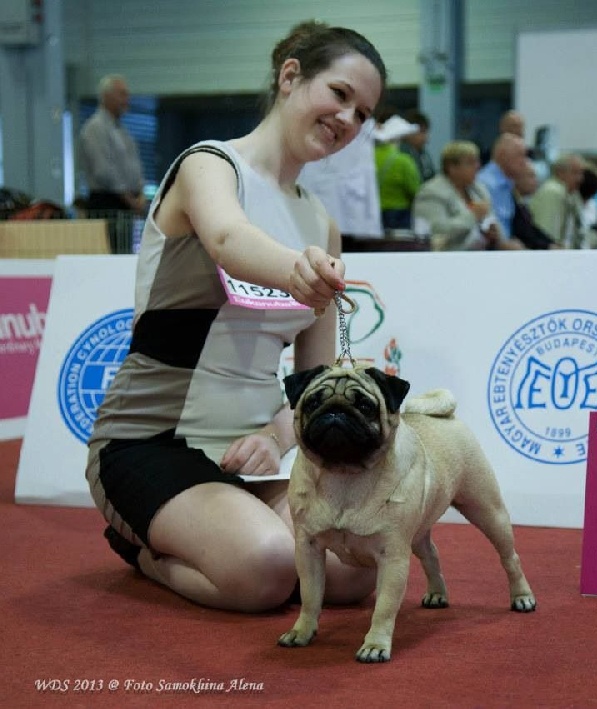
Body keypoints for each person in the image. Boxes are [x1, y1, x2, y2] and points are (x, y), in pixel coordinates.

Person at [84, 21, 387, 612]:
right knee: (269, 568)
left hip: (248, 457)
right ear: (290, 76)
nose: (348, 119)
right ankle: (140, 550)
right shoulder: (207, 165)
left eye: (364, 113)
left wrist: (274, 440)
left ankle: (226, 525)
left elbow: (315, 380)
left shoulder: (321, 223)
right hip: (148, 442)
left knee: (354, 571)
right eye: (340, 94)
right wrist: (297, 269)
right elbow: (227, 236)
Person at [78, 74, 146, 253]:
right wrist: (130, 200)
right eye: (122, 94)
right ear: (107, 96)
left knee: (123, 253)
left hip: (126, 206)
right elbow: (103, 171)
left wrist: (140, 194)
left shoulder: (122, 131)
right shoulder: (94, 129)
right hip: (107, 204)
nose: (127, 99)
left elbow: (134, 166)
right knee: (109, 255)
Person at [411, 140, 502, 250]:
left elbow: (492, 220)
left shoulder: (479, 189)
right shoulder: (431, 193)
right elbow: (436, 232)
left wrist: (493, 233)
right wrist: (472, 216)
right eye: (470, 162)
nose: (477, 166)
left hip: (480, 254)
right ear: (452, 168)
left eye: (477, 161)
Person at [476, 133, 529, 248]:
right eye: (520, 156)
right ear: (502, 155)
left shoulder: (508, 183)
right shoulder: (485, 183)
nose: (525, 162)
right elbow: (487, 224)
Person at [373, 108, 422, 231]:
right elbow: (415, 191)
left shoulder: (369, 157)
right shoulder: (403, 161)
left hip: (374, 213)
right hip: (399, 215)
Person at [528, 153, 586, 248]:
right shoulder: (552, 192)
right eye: (575, 172)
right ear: (560, 172)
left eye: (581, 173)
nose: (580, 179)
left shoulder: (571, 195)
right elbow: (547, 233)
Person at [510, 159, 560, 250]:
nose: (535, 181)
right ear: (516, 178)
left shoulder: (522, 203)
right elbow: (524, 233)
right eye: (531, 176)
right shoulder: (512, 203)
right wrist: (548, 246)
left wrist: (552, 243)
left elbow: (533, 229)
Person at [399, 109, 436, 182]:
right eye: (422, 132)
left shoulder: (423, 154)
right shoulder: (401, 153)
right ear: (408, 132)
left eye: (426, 133)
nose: (425, 138)